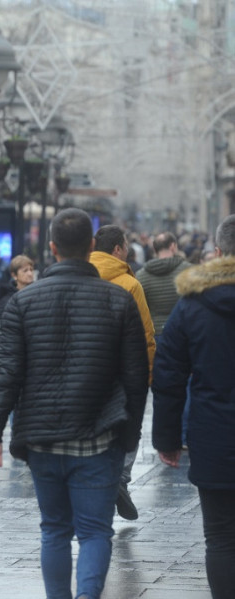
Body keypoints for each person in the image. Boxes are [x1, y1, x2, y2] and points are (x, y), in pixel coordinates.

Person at [0, 208, 149, 599]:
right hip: (100, 434)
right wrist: (130, 432)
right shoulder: (119, 298)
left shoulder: (24, 302)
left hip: (42, 435)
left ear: (51, 248)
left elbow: (7, 374)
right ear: (91, 247)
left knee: (54, 528)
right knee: (95, 531)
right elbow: (136, 377)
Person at [152, 214, 235, 599]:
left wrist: (167, 439)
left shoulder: (192, 305)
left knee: (220, 537)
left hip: (214, 437)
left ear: (218, 253)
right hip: (213, 436)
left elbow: (168, 376)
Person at [90, 224, 155, 521]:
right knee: (129, 431)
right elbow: (145, 336)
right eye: (126, 245)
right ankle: (120, 479)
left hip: (86, 371)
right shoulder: (130, 285)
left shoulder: (80, 277)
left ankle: (98, 477)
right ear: (117, 249)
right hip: (123, 373)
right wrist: (148, 376)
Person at [136, 231, 192, 337]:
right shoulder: (188, 270)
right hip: (182, 330)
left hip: (154, 332)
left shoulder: (141, 275)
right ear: (173, 246)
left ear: (155, 249)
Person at [0, 255, 35, 367]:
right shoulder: (6, 300)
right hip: (12, 355)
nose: (29, 274)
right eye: (25, 271)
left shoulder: (37, 295)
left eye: (31, 270)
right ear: (14, 275)